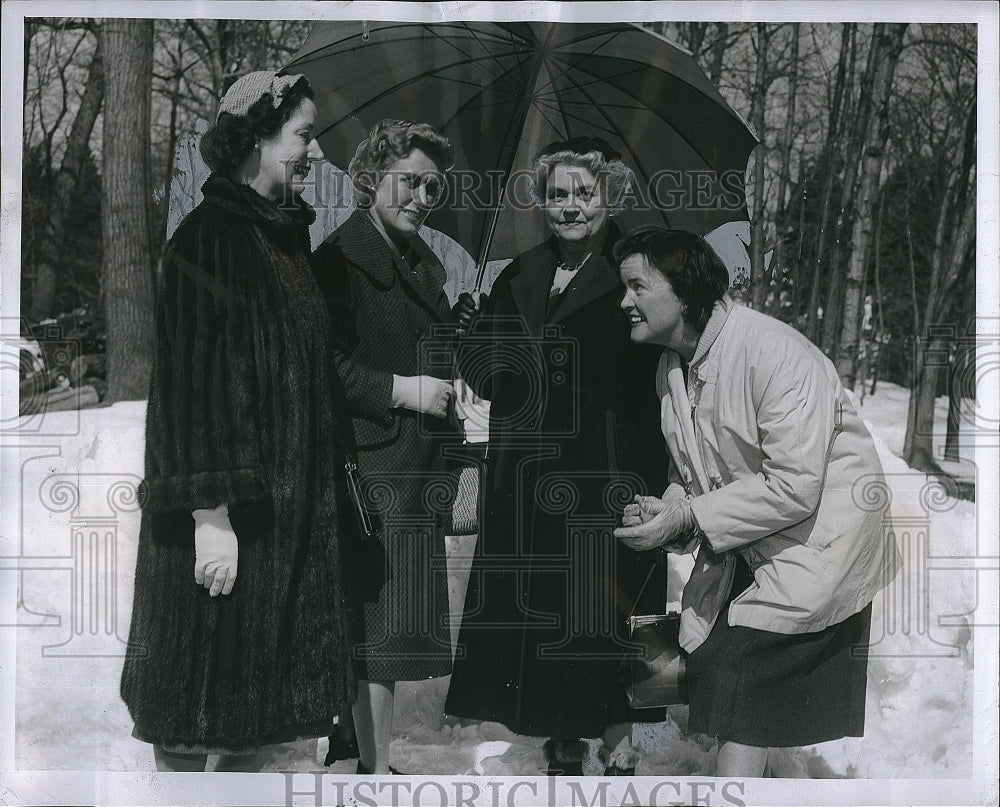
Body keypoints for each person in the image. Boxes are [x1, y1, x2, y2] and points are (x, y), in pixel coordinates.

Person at [120, 72, 356, 772]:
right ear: (255, 136)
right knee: (195, 718)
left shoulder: (281, 242)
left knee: (258, 720)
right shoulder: (207, 240)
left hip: (280, 527)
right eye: (303, 135)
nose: (313, 153)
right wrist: (209, 513)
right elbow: (190, 389)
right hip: (225, 528)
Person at [613, 227, 900, 777]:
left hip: (821, 542)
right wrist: (669, 506)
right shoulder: (672, 367)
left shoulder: (775, 353)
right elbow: (690, 468)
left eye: (636, 286)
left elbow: (794, 484)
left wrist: (691, 515)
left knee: (737, 676)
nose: (624, 302)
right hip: (753, 540)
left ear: (685, 290)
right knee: (717, 674)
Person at [445, 137, 669, 776]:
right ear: (541, 201)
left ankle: (620, 744)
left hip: (609, 465)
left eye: (584, 193)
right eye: (557, 194)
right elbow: (489, 377)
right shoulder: (520, 272)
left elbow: (657, 362)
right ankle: (562, 741)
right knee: (546, 611)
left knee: (607, 605)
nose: (570, 207)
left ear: (609, 196)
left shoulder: (639, 267)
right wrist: (471, 337)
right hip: (527, 472)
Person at [311, 119, 463, 776]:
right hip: (367, 467)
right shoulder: (338, 263)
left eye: (433, 185)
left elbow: (434, 360)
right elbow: (325, 368)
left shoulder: (424, 264)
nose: (422, 195)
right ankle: (373, 771)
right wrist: (406, 389)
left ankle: (359, 757)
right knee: (375, 631)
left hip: (414, 468)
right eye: (410, 180)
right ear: (372, 176)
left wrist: (463, 335)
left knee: (386, 629)